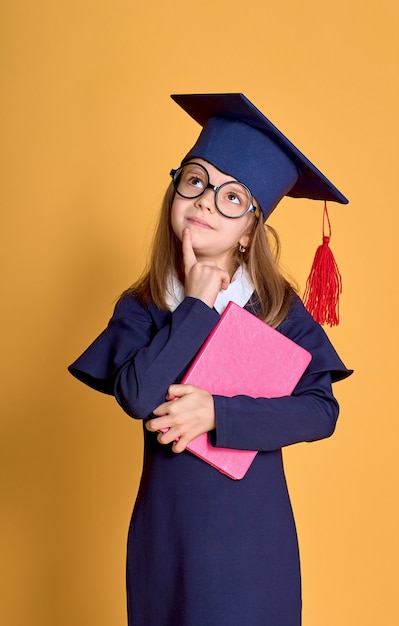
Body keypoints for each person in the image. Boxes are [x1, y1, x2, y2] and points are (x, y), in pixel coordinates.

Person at [68, 93, 352, 626]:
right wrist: (195, 305)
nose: (204, 200)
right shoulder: (145, 306)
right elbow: (136, 394)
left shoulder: (276, 310)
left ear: (250, 231)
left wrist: (220, 413)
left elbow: (321, 410)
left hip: (252, 544)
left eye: (230, 197)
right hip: (167, 540)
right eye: (195, 181)